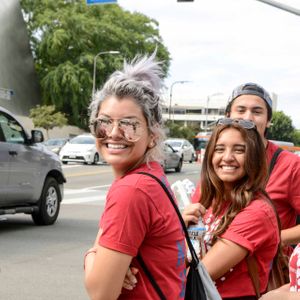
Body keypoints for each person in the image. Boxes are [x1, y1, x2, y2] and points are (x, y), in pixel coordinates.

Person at [84, 53, 186, 299]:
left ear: (152, 135)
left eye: (130, 125)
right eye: (104, 122)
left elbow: (100, 292)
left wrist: (91, 255)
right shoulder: (151, 176)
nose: (114, 133)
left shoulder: (133, 190)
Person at [192, 83, 300, 253]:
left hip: (267, 271)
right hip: (212, 265)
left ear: (268, 120)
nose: (247, 118)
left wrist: (270, 238)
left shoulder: (291, 165)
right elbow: (197, 215)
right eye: (240, 110)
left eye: (257, 112)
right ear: (228, 116)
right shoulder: (221, 164)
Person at [183, 118, 279, 299]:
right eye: (220, 149)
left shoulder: (257, 212)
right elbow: (184, 257)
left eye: (239, 150)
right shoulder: (209, 200)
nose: (227, 157)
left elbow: (197, 276)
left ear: (254, 157)